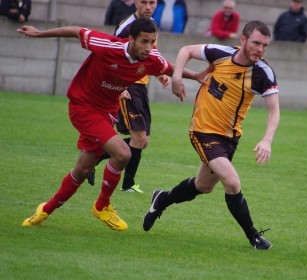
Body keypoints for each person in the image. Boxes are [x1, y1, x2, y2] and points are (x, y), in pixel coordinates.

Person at [18, 18, 207, 231]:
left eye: (152, 41)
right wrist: (39, 33)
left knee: (82, 170)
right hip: (83, 107)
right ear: (131, 39)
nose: (148, 47)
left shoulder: (151, 58)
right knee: (123, 153)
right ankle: (102, 205)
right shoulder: (107, 45)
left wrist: (194, 76)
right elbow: (76, 30)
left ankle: (45, 210)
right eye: (144, 41)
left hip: (107, 112)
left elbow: (169, 69)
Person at [143, 20, 280, 250]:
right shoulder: (220, 53)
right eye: (256, 43)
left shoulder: (262, 73)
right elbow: (185, 50)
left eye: (265, 45)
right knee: (233, 182)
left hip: (230, 137)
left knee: (203, 186)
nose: (260, 49)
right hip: (203, 131)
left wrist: (267, 139)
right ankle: (254, 237)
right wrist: (177, 77)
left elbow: (274, 109)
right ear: (243, 40)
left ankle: (162, 199)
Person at [88, 0, 159, 193]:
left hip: (141, 86)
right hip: (129, 85)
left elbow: (151, 54)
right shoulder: (126, 28)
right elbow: (109, 56)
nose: (148, 7)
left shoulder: (150, 24)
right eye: (144, 2)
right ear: (135, 2)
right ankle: (128, 183)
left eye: (152, 2)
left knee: (143, 141)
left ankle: (94, 159)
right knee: (138, 137)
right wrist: (119, 88)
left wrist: (161, 75)